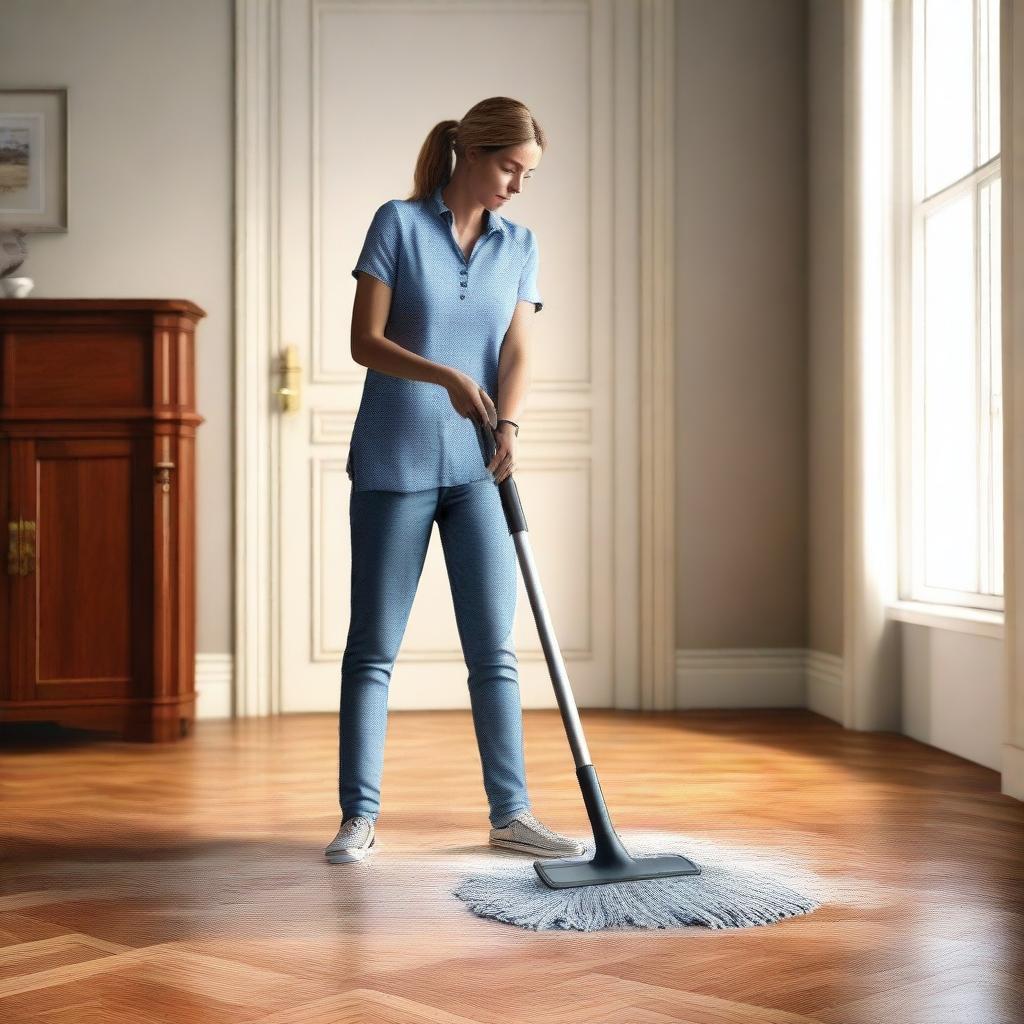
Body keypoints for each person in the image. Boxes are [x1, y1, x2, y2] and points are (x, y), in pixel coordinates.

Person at [325, 97, 585, 864]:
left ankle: (512, 815)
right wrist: (442, 375)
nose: (515, 185)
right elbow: (364, 342)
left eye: (526, 175)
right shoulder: (397, 225)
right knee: (373, 647)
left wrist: (508, 424)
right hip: (393, 461)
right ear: (471, 153)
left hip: (479, 468)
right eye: (509, 167)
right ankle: (358, 816)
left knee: (492, 649)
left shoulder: (520, 245)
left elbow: (517, 353)